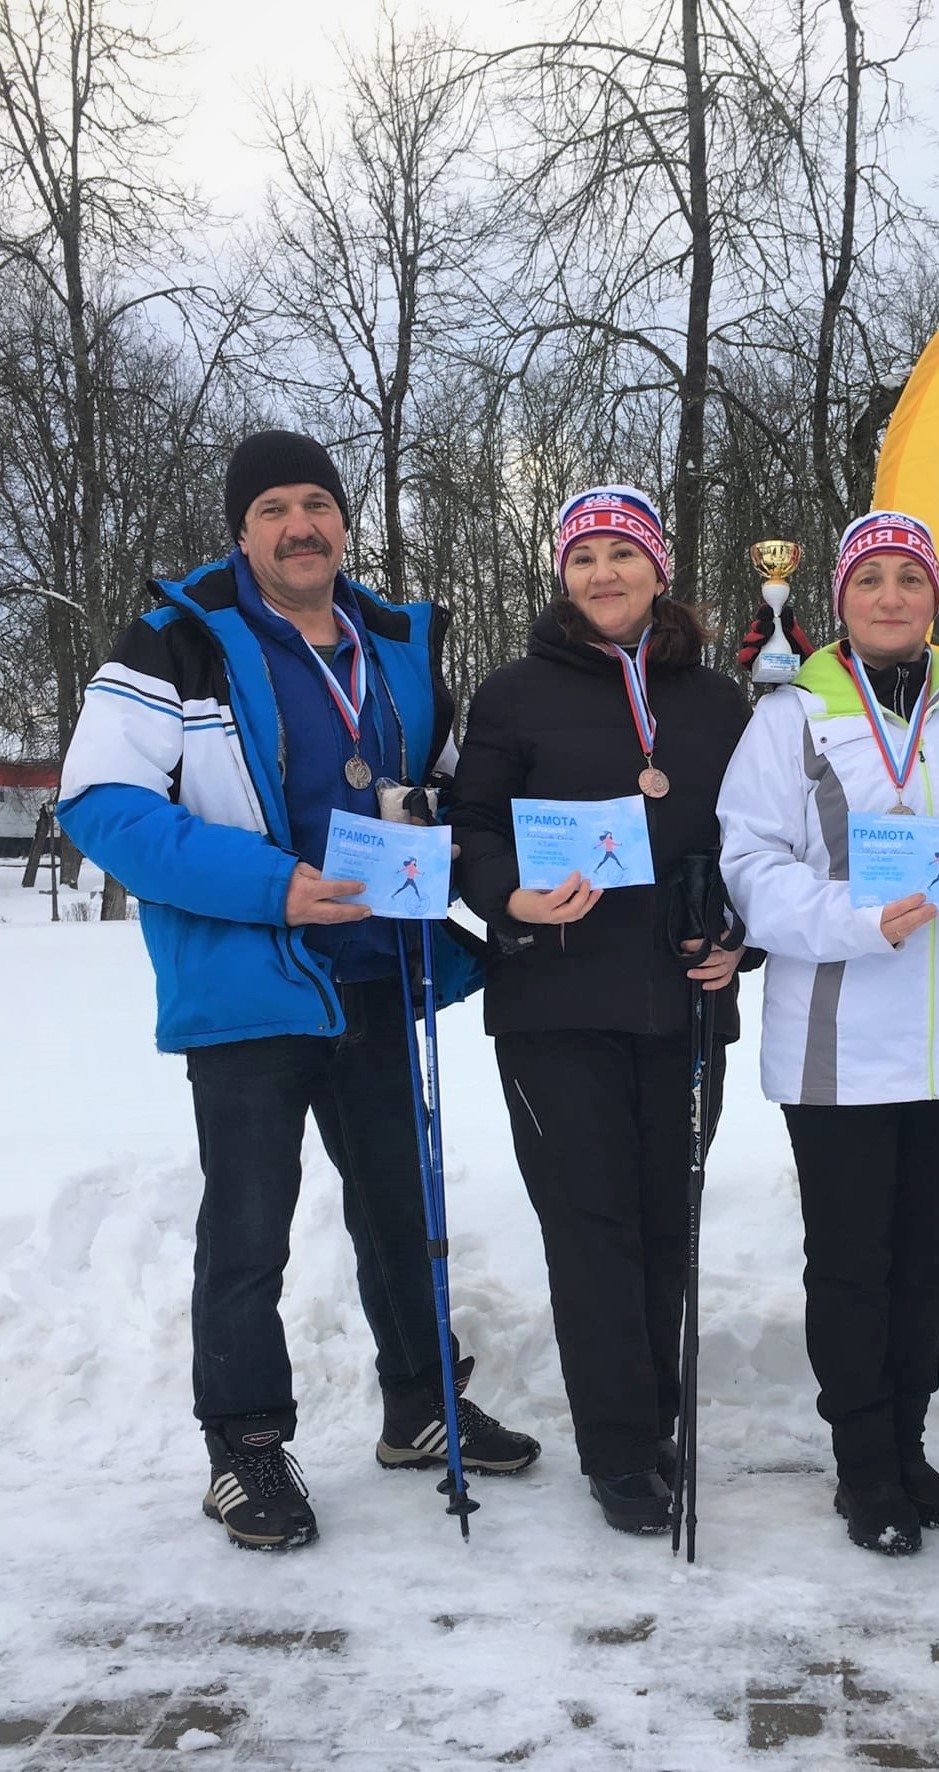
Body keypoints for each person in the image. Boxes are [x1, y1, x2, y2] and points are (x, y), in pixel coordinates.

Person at [57, 430, 538, 1551]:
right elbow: (103, 805)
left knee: (398, 1208)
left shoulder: (398, 640)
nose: (298, 525)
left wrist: (506, 891)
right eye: (272, 507)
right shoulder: (176, 643)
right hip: (252, 982)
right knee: (248, 1231)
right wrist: (275, 887)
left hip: (377, 974)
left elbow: (454, 795)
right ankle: (244, 1446)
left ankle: (419, 1404)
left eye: (315, 502)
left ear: (342, 519)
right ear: (242, 528)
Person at [718, 511, 939, 1557]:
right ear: (841, 601)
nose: (892, 596)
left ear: (934, 596)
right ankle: (862, 1463)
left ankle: (908, 1444)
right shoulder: (791, 714)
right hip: (835, 1040)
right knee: (852, 1265)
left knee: (923, 1262)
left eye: (911, 577)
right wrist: (855, 923)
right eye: (872, 579)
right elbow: (749, 866)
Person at [449, 485, 752, 1535]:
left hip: (683, 1002)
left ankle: (655, 1417)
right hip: (555, 1002)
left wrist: (738, 940)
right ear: (562, 576)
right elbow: (471, 824)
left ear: (657, 569)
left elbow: (757, 845)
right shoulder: (513, 692)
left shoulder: (717, 701)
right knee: (591, 1228)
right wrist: (505, 892)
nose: (601, 574)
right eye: (582, 558)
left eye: (621, 553)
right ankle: (617, 1447)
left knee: (666, 1224)